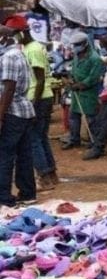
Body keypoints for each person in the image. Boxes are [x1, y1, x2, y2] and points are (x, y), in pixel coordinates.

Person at [6, 15, 59, 191]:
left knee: (34, 139)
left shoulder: (33, 49)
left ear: (22, 32)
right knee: (41, 137)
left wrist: (34, 103)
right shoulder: (29, 47)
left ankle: (44, 176)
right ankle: (51, 174)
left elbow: (40, 79)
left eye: (13, 34)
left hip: (39, 97)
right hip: (41, 96)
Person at [0, 23, 36, 207]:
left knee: (5, 154)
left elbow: (9, 88)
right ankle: (28, 193)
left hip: (13, 111)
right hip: (23, 111)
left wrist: (0, 115)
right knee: (24, 154)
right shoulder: (19, 54)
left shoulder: (8, 57)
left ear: (5, 39)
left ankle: (4, 197)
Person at [63, 32, 103, 150]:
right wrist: (71, 79)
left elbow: (93, 77)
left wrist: (81, 85)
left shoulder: (94, 58)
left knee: (91, 118)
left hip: (89, 92)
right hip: (76, 90)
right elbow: (73, 69)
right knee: (73, 116)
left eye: (78, 45)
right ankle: (74, 139)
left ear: (85, 44)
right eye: (74, 45)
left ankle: (95, 141)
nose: (75, 47)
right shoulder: (76, 55)